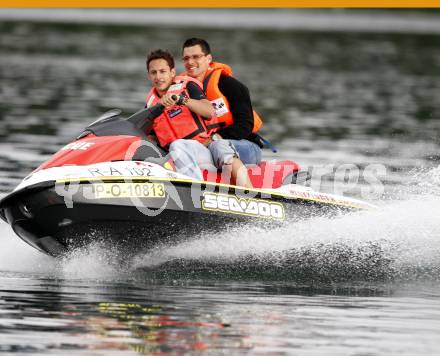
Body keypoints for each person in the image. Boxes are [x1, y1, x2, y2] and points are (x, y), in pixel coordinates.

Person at [180, 38, 263, 178]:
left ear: (208, 58)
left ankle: (246, 192)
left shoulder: (231, 86)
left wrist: (214, 138)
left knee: (217, 146)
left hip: (245, 145)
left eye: (196, 57)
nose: (190, 62)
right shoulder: (181, 89)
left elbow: (245, 125)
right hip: (205, 146)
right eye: (186, 58)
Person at [145, 49, 216, 180]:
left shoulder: (188, 87)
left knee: (178, 145)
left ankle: (195, 191)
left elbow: (209, 111)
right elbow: (151, 137)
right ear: (149, 75)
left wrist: (181, 100)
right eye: (153, 72)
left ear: (172, 73)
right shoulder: (150, 105)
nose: (158, 77)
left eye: (162, 71)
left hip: (203, 151)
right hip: (174, 155)